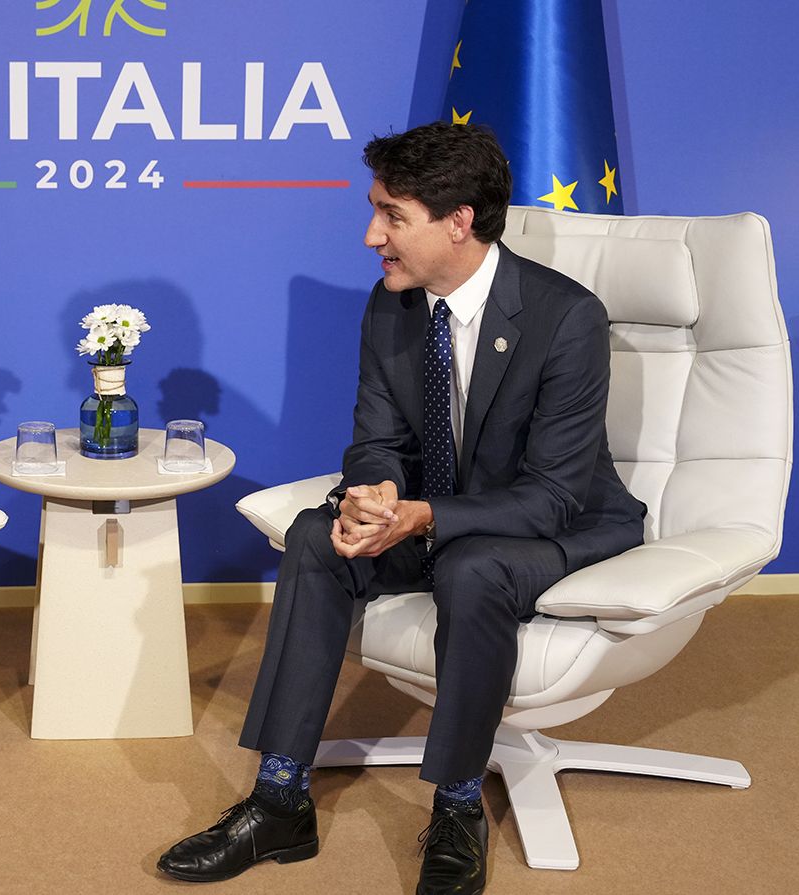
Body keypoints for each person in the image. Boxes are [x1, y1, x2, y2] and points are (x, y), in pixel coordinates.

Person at [157, 122, 646, 894]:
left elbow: (552, 493)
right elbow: (376, 438)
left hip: (556, 520)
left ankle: (458, 809)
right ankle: (279, 796)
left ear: (459, 221)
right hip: (432, 508)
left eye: (392, 214)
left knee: (476, 569)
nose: (370, 234)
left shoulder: (566, 318)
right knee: (319, 535)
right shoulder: (392, 307)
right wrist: (377, 493)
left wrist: (422, 518)